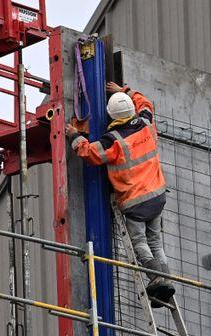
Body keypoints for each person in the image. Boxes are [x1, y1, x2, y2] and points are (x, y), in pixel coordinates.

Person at [65, 81, 174, 307]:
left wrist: (74, 136)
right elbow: (145, 102)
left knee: (140, 243)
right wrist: (124, 91)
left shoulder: (114, 140)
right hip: (157, 195)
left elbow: (89, 153)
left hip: (135, 203)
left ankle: (156, 278)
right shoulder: (145, 122)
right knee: (156, 241)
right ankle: (165, 279)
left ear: (112, 115)